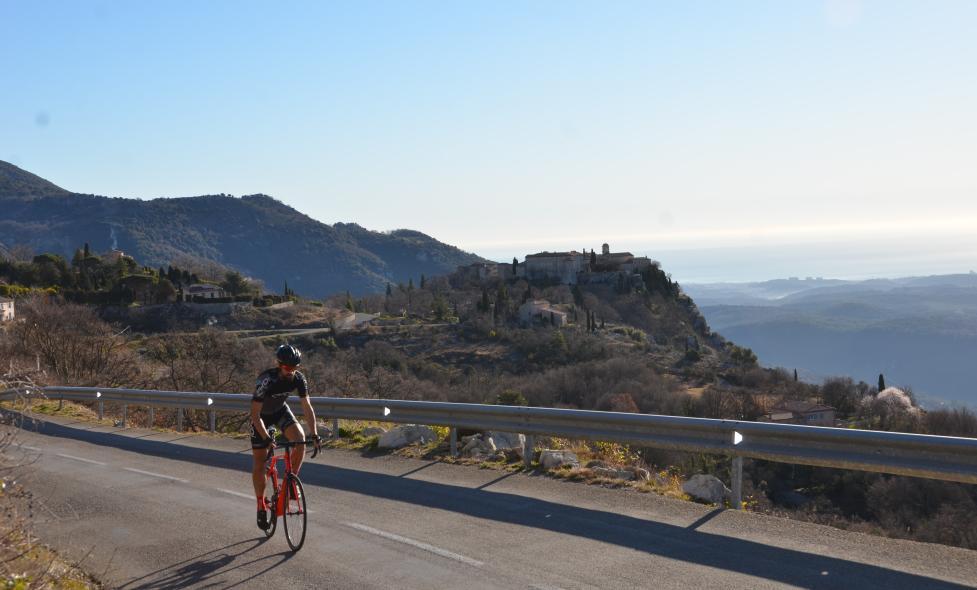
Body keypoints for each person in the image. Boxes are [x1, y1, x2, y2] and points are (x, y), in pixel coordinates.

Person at [250, 343, 321, 531]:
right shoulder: (266, 380)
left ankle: (290, 482)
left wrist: (314, 434)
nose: (292, 371)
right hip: (262, 418)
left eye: (295, 367)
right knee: (260, 462)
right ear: (279, 364)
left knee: (300, 440)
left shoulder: (298, 378)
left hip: (280, 411)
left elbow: (307, 407)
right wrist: (265, 437)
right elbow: (255, 414)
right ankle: (260, 505)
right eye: (288, 368)